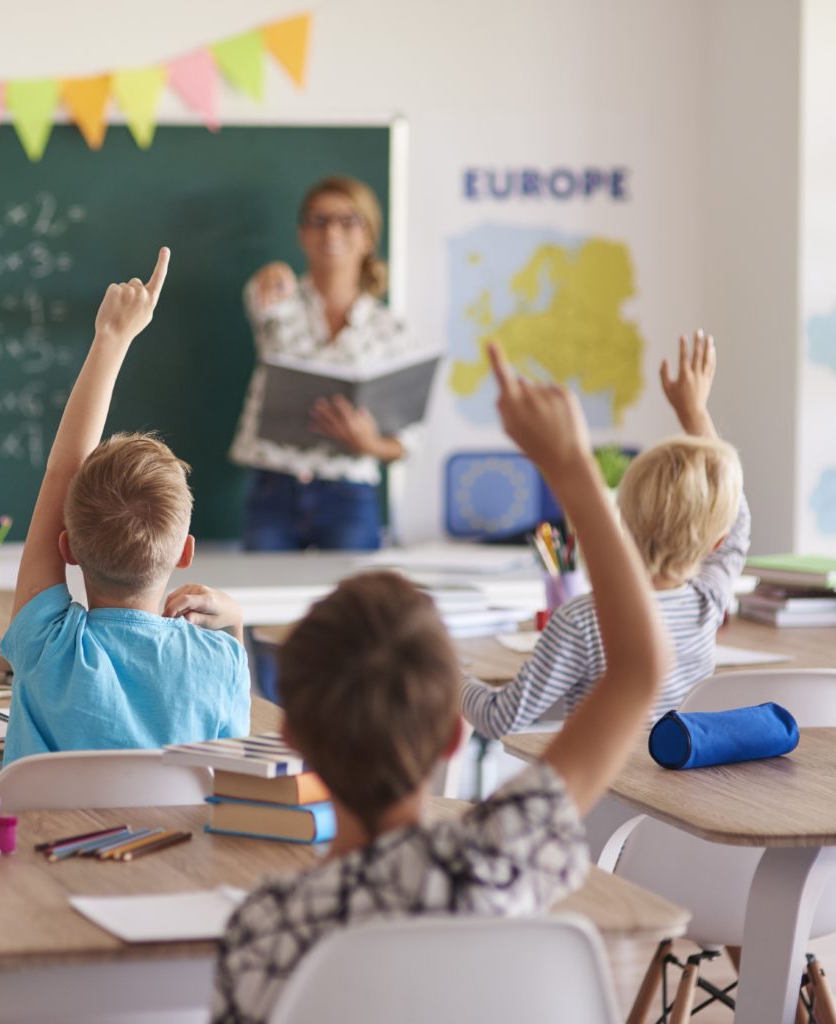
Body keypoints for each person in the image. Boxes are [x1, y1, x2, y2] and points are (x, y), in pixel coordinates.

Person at [210, 342, 670, 1023]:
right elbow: (638, 669)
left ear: (291, 738)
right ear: (453, 735)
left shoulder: (268, 928)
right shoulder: (498, 859)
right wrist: (571, 470)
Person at [2, 249, 251, 766]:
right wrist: (236, 622)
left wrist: (110, 340)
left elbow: (59, 474)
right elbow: (233, 772)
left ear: (66, 548)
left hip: (40, 849)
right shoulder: (219, 662)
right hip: (175, 847)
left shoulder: (48, 649)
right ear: (185, 552)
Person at [462, 330, 750, 739]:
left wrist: (447, 673)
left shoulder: (583, 620)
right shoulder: (708, 604)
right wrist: (695, 413)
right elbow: (737, 523)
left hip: (599, 796)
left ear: (623, 518)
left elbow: (498, 718)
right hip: (672, 797)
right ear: (715, 542)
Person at [229, 176, 412, 553]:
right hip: (273, 486)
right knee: (265, 605)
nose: (331, 231)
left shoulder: (388, 329)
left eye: (348, 221)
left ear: (368, 237)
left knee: (354, 609)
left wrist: (370, 443)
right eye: (319, 220)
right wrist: (273, 272)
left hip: (349, 492)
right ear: (302, 234)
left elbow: (406, 442)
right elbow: (256, 296)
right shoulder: (278, 299)